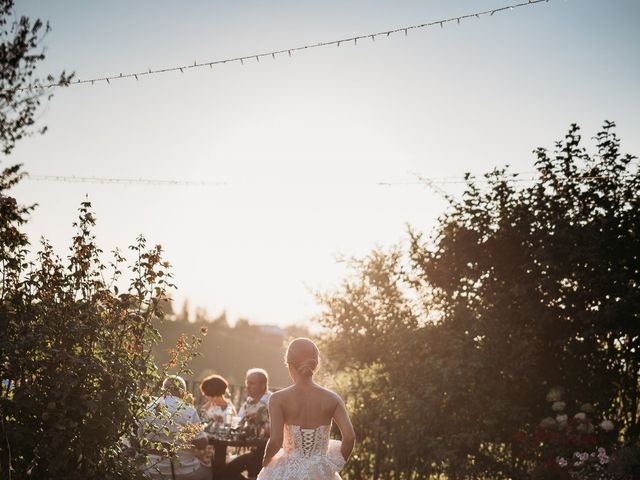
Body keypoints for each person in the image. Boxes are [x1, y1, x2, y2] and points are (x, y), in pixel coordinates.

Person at [257, 338, 355, 480]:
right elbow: (350, 437)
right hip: (320, 472)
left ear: (290, 365)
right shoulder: (333, 399)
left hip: (288, 472)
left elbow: (276, 441)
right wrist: (334, 464)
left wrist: (266, 459)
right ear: (315, 365)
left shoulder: (278, 399)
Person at [142, 375, 211, 480]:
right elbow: (202, 444)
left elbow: (138, 441)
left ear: (163, 390)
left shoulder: (149, 408)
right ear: (183, 392)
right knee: (210, 472)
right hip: (184, 471)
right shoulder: (189, 410)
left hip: (152, 470)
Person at [223, 368, 272, 480]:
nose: (247, 386)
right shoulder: (249, 401)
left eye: (251, 383)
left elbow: (274, 429)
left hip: (268, 452)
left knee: (251, 463)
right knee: (227, 471)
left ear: (263, 385)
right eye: (247, 383)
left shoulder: (271, 401)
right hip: (255, 450)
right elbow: (237, 422)